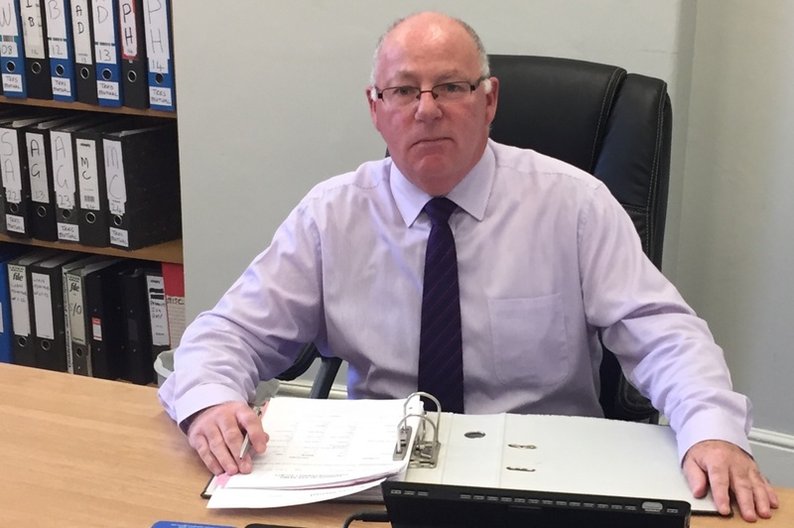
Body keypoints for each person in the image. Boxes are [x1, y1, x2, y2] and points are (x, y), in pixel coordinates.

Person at [159, 11, 778, 521]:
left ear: (489, 101)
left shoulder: (574, 205)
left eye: (451, 87)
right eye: (404, 90)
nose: (426, 109)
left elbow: (665, 334)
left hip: (544, 481)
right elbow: (230, 332)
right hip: (381, 483)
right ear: (376, 109)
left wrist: (711, 429)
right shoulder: (332, 214)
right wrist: (211, 401)